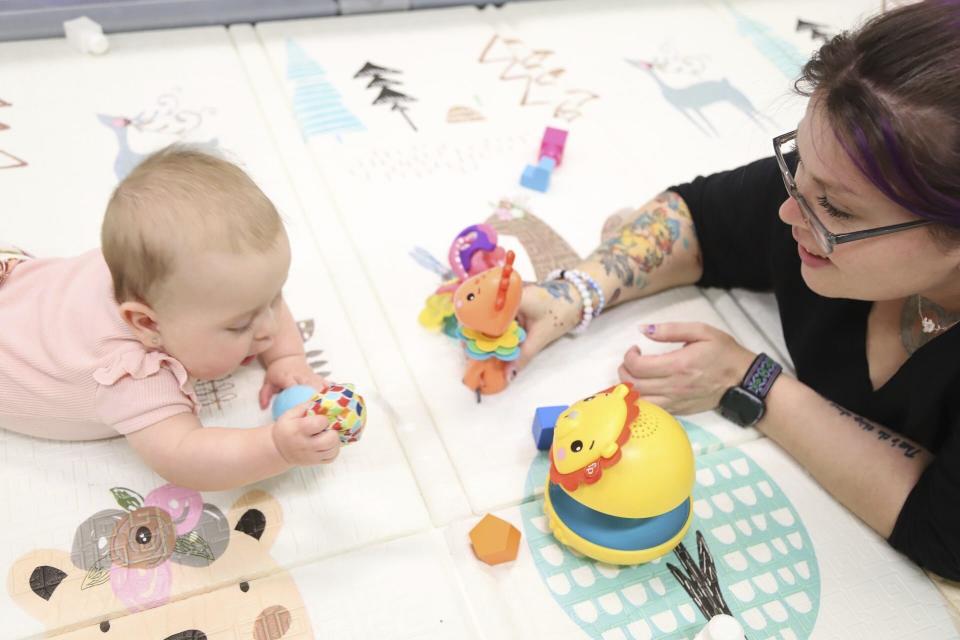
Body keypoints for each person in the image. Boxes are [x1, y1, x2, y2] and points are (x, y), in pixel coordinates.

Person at [518, 0, 960, 579]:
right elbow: (701, 217)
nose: (788, 210)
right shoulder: (827, 190)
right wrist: (573, 291)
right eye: (798, 165)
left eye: (835, 208)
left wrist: (753, 384)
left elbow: (944, 534)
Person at [0, 146, 339, 491]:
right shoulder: (132, 376)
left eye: (275, 298)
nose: (269, 328)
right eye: (240, 325)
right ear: (148, 325)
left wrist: (287, 357)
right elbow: (185, 457)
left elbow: (257, 300)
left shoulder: (152, 270)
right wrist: (276, 448)